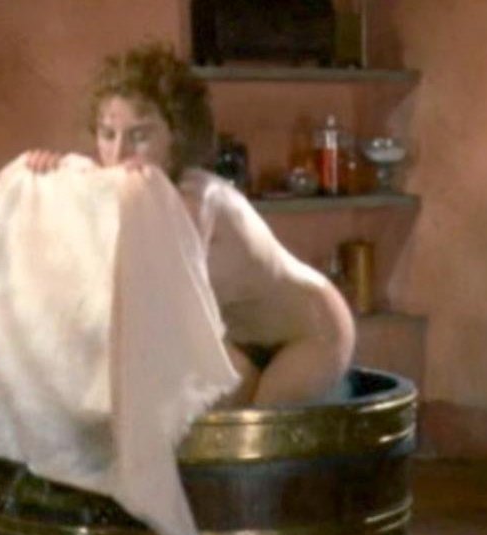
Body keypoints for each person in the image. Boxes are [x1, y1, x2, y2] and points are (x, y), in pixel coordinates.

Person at [26, 43, 355, 407]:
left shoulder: (198, 199)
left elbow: (153, 296)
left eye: (140, 136)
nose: (118, 155)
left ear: (177, 138)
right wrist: (51, 181)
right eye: (108, 134)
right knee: (212, 431)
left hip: (311, 332)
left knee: (261, 431)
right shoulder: (132, 196)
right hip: (236, 342)